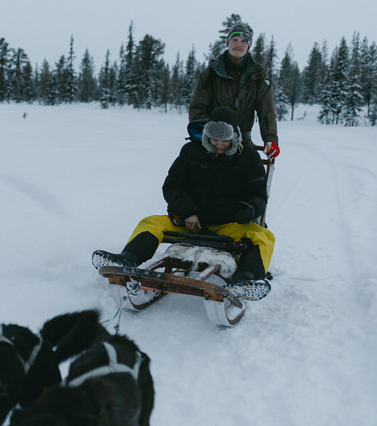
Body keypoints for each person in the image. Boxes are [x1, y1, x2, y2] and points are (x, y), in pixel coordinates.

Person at [92, 107, 275, 300]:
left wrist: (249, 209)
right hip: (189, 222)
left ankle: (247, 280)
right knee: (151, 222)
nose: (220, 145)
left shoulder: (248, 157)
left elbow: (258, 195)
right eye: (215, 140)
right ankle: (128, 258)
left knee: (263, 236)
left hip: (228, 225)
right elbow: (172, 186)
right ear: (207, 135)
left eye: (224, 140)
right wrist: (187, 211)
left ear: (235, 136)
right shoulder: (191, 151)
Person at [189, 22, 281, 159]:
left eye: (244, 41)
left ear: (249, 45)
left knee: (252, 169)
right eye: (235, 40)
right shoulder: (211, 74)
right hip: (214, 140)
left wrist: (270, 139)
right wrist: (209, 137)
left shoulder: (258, 76)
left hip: (243, 140)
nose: (239, 44)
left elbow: (266, 111)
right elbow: (197, 108)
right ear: (228, 43)